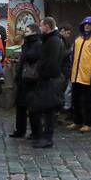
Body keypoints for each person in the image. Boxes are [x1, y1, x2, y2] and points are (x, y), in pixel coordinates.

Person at [29, 16, 66, 149]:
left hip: (50, 80)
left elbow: (52, 61)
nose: (40, 27)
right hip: (47, 78)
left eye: (42, 25)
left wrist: (43, 74)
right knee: (41, 108)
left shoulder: (54, 41)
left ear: (47, 26)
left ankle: (47, 138)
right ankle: (42, 135)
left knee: (49, 110)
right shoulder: (49, 40)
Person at [67, 16, 91, 133]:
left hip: (88, 76)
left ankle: (87, 123)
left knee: (88, 101)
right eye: (85, 25)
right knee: (75, 100)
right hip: (76, 76)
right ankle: (77, 121)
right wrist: (71, 70)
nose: (87, 26)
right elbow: (73, 56)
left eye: (89, 25)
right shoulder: (78, 39)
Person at [10, 23, 42, 139]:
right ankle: (20, 130)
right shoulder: (27, 43)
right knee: (20, 106)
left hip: (32, 79)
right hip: (23, 78)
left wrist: (24, 53)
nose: (25, 33)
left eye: (27, 31)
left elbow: (32, 57)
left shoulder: (37, 43)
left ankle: (36, 132)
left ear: (34, 32)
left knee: (32, 107)